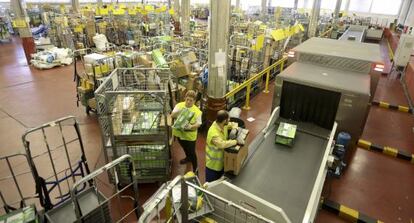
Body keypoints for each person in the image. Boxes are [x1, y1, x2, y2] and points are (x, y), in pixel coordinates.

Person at [205, 110, 244, 182]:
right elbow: (222, 144)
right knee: (210, 185)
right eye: (228, 119)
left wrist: (234, 129)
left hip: (222, 163)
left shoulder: (223, 125)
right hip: (212, 166)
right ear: (224, 120)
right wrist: (235, 141)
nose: (229, 120)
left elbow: (234, 124)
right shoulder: (213, 132)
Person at [171, 90, 202, 173]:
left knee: (192, 152)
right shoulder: (179, 105)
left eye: (191, 100)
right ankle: (187, 158)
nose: (188, 102)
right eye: (187, 99)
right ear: (185, 98)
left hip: (190, 136)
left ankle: (195, 168)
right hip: (179, 134)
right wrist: (180, 111)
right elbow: (172, 115)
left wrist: (191, 126)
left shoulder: (197, 111)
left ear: (194, 101)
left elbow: (198, 124)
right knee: (184, 147)